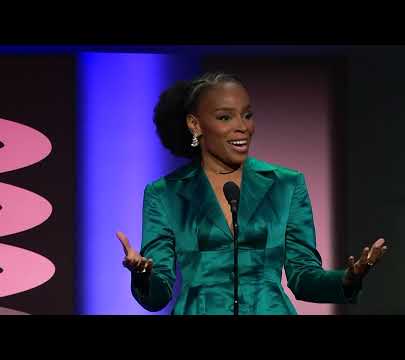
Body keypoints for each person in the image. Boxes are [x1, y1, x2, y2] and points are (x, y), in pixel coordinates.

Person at [117, 72, 387, 315]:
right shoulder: (165, 194)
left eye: (247, 115)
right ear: (195, 125)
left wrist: (348, 279)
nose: (242, 127)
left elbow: (303, 278)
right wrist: (142, 275)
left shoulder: (286, 185)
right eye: (225, 117)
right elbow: (157, 295)